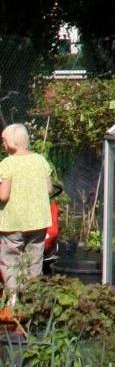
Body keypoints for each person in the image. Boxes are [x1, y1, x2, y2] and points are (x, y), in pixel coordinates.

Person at [0, 123, 53, 299]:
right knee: (34, 260)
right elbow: (49, 189)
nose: (3, 144)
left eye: (4, 141)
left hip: (13, 223)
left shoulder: (7, 164)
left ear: (12, 143)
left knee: (10, 260)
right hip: (38, 221)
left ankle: (13, 299)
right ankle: (32, 299)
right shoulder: (40, 160)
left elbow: (3, 195)